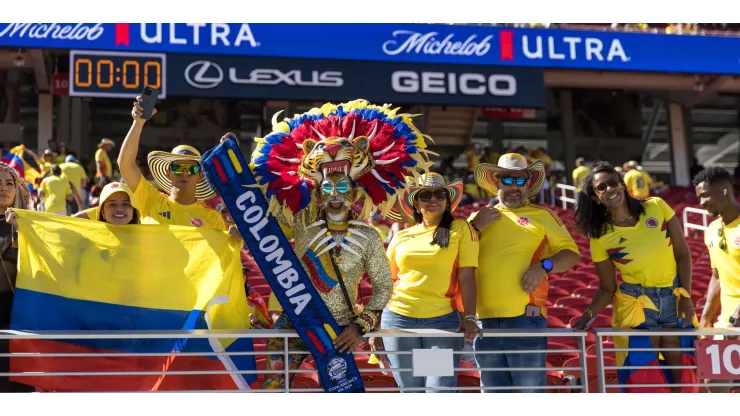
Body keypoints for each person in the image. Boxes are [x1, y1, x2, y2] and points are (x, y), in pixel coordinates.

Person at [245, 99, 431, 389]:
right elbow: (258, 217)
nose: (335, 193)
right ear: (318, 191)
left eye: (343, 187)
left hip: (342, 329)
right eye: (327, 187)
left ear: (355, 194)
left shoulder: (368, 237)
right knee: (272, 390)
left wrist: (360, 327)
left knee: (341, 394)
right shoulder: (301, 219)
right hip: (295, 320)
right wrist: (233, 163)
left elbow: (383, 288)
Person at [573, 162, 696, 393]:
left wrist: (686, 295)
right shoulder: (600, 237)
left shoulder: (656, 206)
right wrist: (587, 316)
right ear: (595, 197)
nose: (610, 189)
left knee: (683, 378)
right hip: (637, 306)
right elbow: (607, 287)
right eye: (602, 187)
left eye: (613, 182)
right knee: (645, 381)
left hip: (674, 299)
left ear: (622, 184)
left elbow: (682, 254)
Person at [470, 153, 580, 392]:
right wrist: (474, 227)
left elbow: (571, 255)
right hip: (483, 323)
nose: (513, 187)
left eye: (520, 181)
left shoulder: (544, 216)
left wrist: (544, 266)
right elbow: (456, 260)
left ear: (528, 184)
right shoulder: (477, 219)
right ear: (496, 182)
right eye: (507, 180)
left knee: (529, 394)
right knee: (493, 395)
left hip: (525, 319)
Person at [380, 173, 481, 392]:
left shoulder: (461, 229)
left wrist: (470, 316)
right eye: (425, 195)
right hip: (398, 320)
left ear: (447, 200)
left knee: (437, 390)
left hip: (440, 321)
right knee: (411, 390)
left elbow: (467, 276)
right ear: (415, 202)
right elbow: (387, 281)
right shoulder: (402, 236)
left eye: (439, 194)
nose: (433, 199)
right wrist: (376, 320)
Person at [118, 98, 230, 233]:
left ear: (200, 175)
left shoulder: (213, 218)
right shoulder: (151, 200)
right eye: (177, 168)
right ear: (168, 173)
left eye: (191, 169)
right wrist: (138, 123)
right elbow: (125, 164)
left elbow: (223, 253)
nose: (184, 173)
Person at [693, 167, 740, 393]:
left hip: (736, 317)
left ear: (724, 189)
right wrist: (705, 318)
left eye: (704, 195)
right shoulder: (711, 229)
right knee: (713, 382)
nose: (701, 203)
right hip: (727, 323)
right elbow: (717, 276)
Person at [0, 163, 34, 392]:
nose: (4, 188)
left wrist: (25, 230)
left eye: (9, 183)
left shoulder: (30, 224)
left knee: (15, 383)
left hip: (15, 313)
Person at [71, 182, 140, 225]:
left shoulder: (142, 236)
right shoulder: (93, 236)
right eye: (112, 204)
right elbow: (70, 222)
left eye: (125, 204)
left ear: (133, 211)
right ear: (102, 212)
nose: (119, 208)